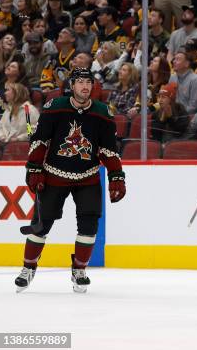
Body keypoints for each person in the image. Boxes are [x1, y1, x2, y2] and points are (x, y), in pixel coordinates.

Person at [15, 68, 126, 293]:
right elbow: (40, 141)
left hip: (88, 177)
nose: (85, 86)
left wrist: (116, 175)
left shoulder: (103, 112)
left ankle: (79, 270)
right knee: (41, 225)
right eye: (80, 82)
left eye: (88, 82)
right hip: (54, 174)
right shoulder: (55, 107)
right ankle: (28, 268)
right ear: (72, 86)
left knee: (89, 225)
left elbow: (108, 149)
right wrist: (34, 168)